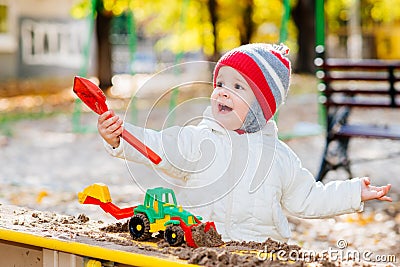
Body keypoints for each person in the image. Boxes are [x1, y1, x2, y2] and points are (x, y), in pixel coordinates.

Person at [97, 43, 392, 243]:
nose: (223, 92)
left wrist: (354, 192)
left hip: (259, 251)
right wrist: (120, 135)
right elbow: (158, 146)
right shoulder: (199, 139)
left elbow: (308, 198)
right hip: (199, 248)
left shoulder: (279, 158)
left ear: (262, 106)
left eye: (238, 87)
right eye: (221, 84)